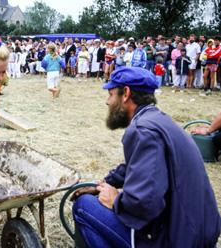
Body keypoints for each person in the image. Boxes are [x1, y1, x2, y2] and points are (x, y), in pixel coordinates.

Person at [71, 66, 221, 248]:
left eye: (111, 94)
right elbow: (136, 167)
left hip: (173, 240)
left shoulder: (142, 130)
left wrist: (116, 201)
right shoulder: (159, 120)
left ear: (125, 93)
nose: (108, 102)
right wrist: (103, 183)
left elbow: (144, 203)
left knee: (83, 205)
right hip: (196, 235)